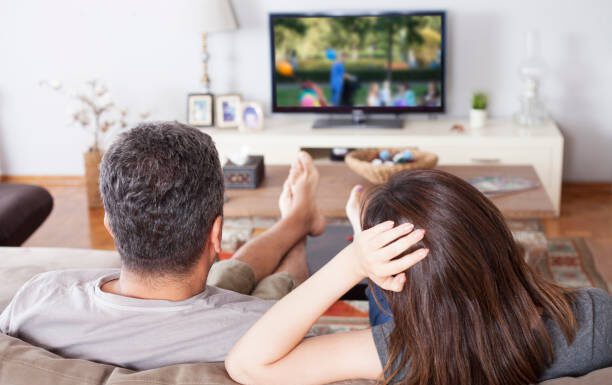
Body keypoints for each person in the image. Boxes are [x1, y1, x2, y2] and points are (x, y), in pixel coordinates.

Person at [226, 169, 612, 385]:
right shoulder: (593, 318)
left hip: (419, 331)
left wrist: (355, 261)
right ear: (496, 236)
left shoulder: (397, 352)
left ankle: (304, 225)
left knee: (385, 303)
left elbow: (246, 364)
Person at [0, 121, 327, 370]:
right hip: (232, 323)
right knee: (277, 284)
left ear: (111, 226)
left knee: (230, 274)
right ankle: (298, 225)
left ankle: (297, 217)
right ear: (217, 235)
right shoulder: (264, 329)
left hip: (191, 316)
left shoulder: (39, 298)